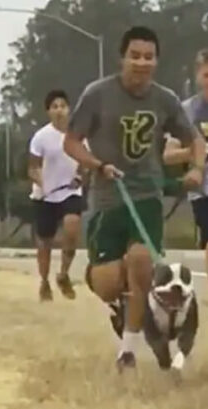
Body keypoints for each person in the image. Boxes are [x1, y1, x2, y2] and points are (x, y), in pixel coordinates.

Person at [64, 26, 206, 371]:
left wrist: (197, 169)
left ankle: (127, 352)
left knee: (142, 262)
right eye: (135, 56)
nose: (142, 63)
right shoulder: (97, 94)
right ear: (122, 58)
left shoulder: (166, 100)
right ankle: (121, 298)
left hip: (147, 198)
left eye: (149, 57)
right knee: (111, 283)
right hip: (107, 199)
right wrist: (96, 164)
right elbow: (71, 141)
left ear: (156, 61)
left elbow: (194, 139)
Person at [28, 89, 85, 302]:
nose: (59, 110)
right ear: (48, 112)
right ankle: (44, 282)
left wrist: (80, 177)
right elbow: (32, 168)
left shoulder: (78, 134)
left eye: (63, 106)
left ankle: (64, 273)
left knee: (72, 226)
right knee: (44, 242)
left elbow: (84, 161)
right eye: (54, 107)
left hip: (70, 192)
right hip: (45, 196)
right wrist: (42, 185)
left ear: (69, 109)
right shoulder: (41, 137)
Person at [164, 49, 208, 276]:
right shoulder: (186, 110)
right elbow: (168, 155)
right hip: (202, 190)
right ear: (198, 76)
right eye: (207, 75)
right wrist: (196, 153)